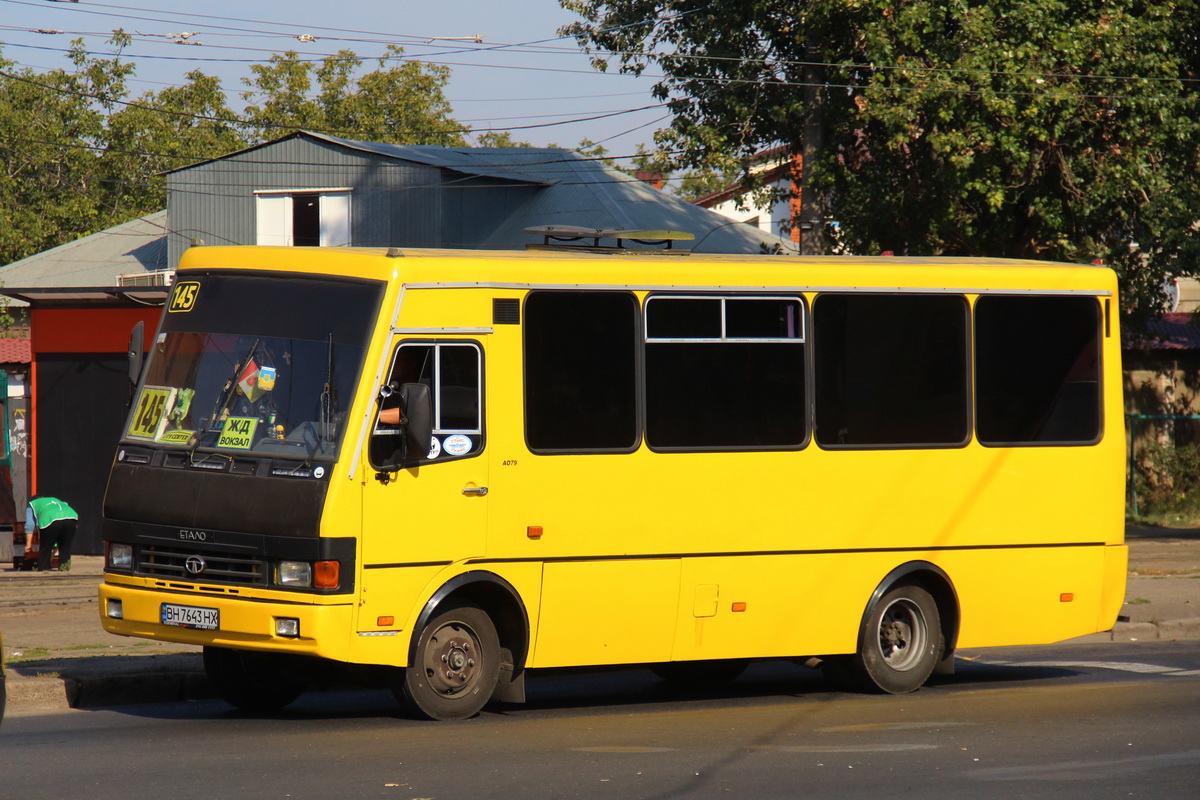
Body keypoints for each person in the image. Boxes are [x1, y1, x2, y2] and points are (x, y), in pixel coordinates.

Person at [27, 495, 79, 572]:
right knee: (65, 547)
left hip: (51, 519)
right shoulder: (56, 500)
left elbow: (29, 525)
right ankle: (65, 568)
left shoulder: (32, 504)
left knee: (46, 547)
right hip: (71, 518)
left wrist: (28, 544)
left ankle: (43, 569)